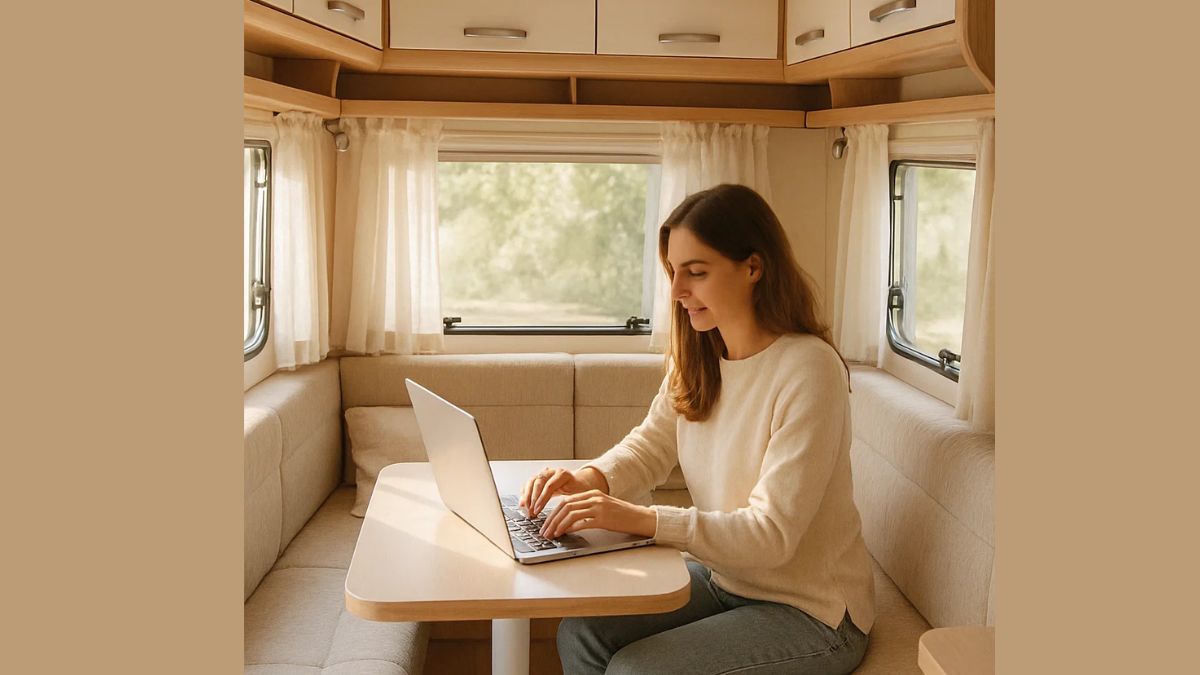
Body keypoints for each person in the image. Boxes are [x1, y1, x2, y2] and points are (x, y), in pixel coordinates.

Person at [520, 183, 876, 675]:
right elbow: (649, 446)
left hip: (812, 612)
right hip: (725, 581)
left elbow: (771, 536)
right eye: (672, 272)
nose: (678, 291)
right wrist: (587, 479)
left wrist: (641, 519)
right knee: (581, 633)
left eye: (697, 272)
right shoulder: (701, 356)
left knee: (637, 669)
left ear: (753, 267)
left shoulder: (808, 370)